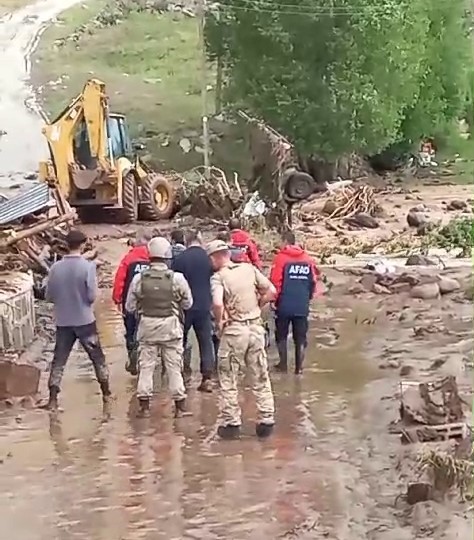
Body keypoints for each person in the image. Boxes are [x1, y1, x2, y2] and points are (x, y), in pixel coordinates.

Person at [208, 239, 276, 440]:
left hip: (234, 331)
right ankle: (266, 419)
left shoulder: (218, 278)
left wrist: (219, 323)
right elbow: (271, 291)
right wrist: (258, 305)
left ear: (216, 257)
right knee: (260, 374)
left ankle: (231, 423)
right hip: (255, 329)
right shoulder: (249, 269)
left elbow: (218, 303)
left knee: (228, 377)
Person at [43, 229, 111, 410]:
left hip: (63, 320)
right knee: (97, 358)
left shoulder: (55, 268)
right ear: (82, 245)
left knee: (59, 359)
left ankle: (52, 400)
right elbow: (91, 296)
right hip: (84, 320)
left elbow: (48, 296)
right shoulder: (87, 267)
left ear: (66, 245)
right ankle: (106, 395)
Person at [126, 237, 193, 418]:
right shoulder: (177, 278)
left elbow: (129, 307)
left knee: (146, 367)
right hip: (171, 327)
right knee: (174, 367)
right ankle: (179, 408)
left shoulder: (139, 279)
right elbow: (188, 304)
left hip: (147, 327)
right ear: (167, 256)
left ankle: (144, 407)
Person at [269, 231, 320, 374]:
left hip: (284, 304)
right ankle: (299, 369)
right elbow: (313, 282)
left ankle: (283, 365)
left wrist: (274, 300)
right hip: (301, 304)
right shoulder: (307, 259)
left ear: (285, 241)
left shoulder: (281, 259)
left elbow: (276, 282)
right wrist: (308, 298)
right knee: (301, 337)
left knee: (281, 335)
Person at [172, 229, 215, 392]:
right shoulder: (208, 258)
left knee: (180, 340)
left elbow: (174, 281)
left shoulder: (180, 259)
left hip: (185, 306)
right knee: (205, 341)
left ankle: (180, 375)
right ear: (199, 238)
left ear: (186, 241)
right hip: (204, 305)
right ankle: (207, 378)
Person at [112, 229, 151, 375]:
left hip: (130, 303)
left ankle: (132, 356)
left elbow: (120, 280)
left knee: (130, 331)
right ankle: (146, 360)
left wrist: (117, 299)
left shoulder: (129, 258)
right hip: (150, 304)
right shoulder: (154, 258)